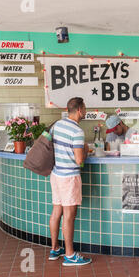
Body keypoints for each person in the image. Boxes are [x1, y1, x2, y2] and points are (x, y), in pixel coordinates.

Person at [48, 97, 92, 266]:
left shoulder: (57, 125)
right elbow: (79, 160)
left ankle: (54, 249)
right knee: (69, 216)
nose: (85, 112)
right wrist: (86, 149)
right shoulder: (77, 131)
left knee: (56, 212)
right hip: (69, 177)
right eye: (85, 108)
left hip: (56, 174)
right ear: (80, 109)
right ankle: (70, 255)